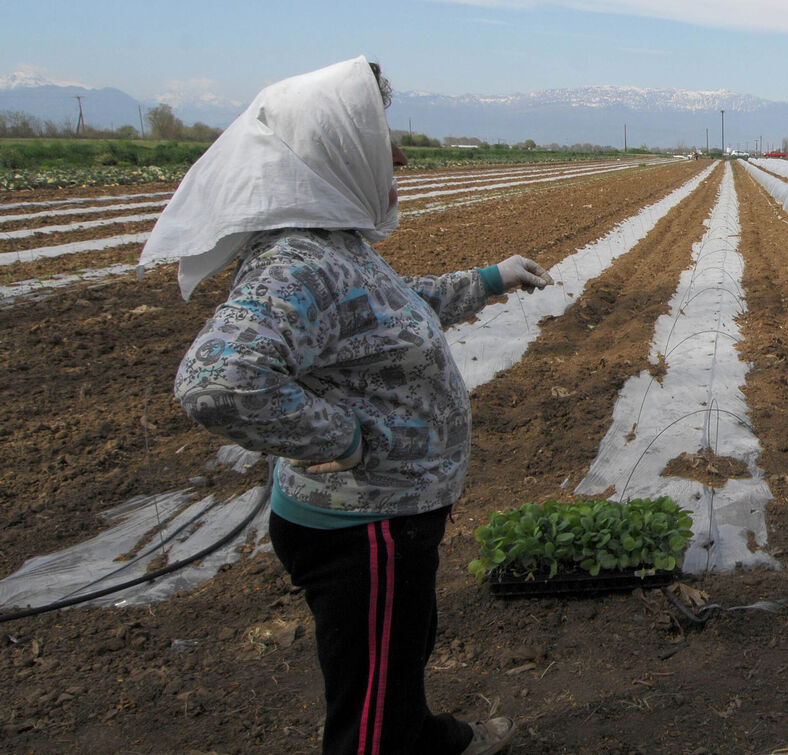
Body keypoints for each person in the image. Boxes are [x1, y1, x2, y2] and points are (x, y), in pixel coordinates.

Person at [140, 57, 548, 754]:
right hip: (365, 526)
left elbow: (392, 310)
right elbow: (216, 379)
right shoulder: (300, 261)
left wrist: (490, 279)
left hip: (388, 519)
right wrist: (345, 438)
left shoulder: (335, 247)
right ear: (332, 149)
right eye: (379, 132)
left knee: (397, 655)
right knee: (368, 715)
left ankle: (420, 732)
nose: (398, 151)